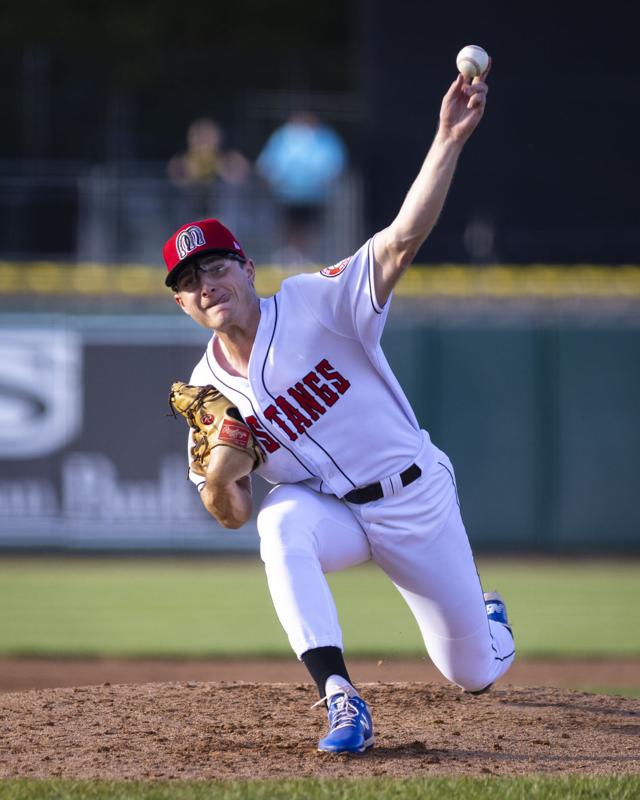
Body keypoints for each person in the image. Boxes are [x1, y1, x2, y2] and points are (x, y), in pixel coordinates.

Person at [162, 62, 515, 755]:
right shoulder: (207, 390)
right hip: (334, 515)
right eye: (190, 281)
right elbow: (232, 515)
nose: (208, 285)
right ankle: (340, 697)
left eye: (217, 267)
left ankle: (488, 619)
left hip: (413, 498)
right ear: (182, 303)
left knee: (472, 672)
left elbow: (402, 237)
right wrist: (219, 481)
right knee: (279, 522)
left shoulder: (316, 302)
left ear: (247, 269)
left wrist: (448, 140)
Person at [256, 111, 347, 264]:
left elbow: (334, 163)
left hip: (314, 195)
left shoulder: (325, 137)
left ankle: (305, 256)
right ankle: (290, 256)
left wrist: (328, 178)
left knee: (309, 227)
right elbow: (269, 162)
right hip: (286, 194)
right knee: (288, 226)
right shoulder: (283, 136)